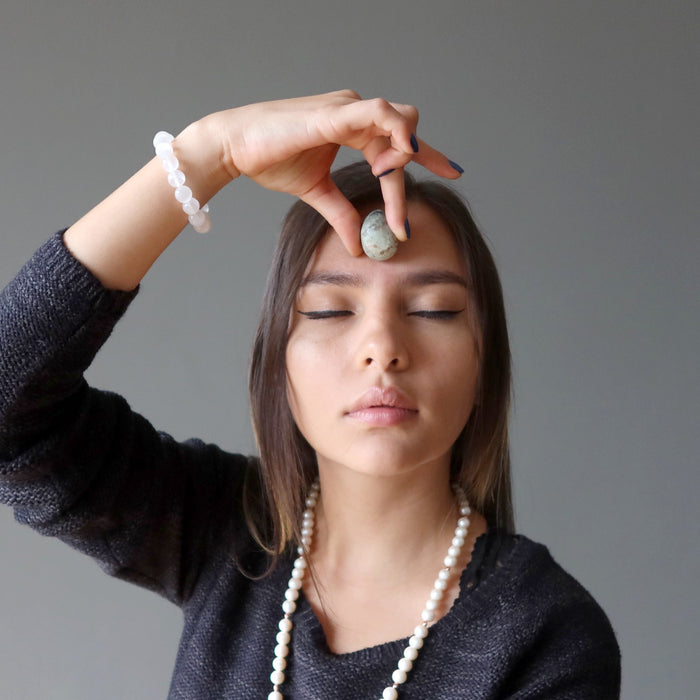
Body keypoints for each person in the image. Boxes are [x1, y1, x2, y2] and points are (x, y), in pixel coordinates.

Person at [0, 90, 621, 699]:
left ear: (486, 360)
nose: (382, 348)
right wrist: (210, 153)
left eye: (434, 310)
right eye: (329, 311)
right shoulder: (228, 532)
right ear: (278, 363)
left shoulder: (546, 636)